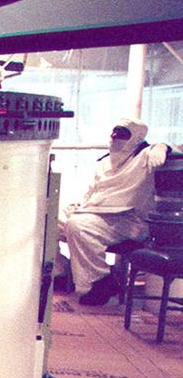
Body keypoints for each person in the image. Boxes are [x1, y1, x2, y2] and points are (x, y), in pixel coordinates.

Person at [58, 117, 171, 307]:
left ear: (136, 137)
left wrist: (163, 146)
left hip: (130, 221)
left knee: (79, 226)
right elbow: (94, 193)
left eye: (122, 134)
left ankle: (100, 281)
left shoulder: (146, 156)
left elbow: (176, 150)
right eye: (114, 132)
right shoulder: (104, 162)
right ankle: (62, 271)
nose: (115, 137)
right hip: (96, 215)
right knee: (49, 217)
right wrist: (80, 206)